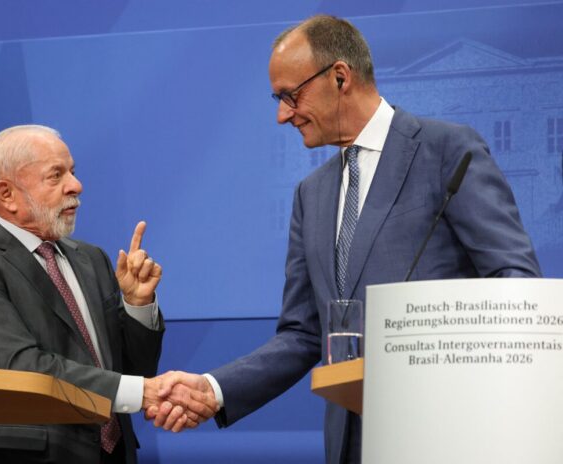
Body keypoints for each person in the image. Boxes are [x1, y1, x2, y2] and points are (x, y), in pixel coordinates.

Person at [148, 14, 542, 463]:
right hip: (349, 443)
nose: (282, 114)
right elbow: (302, 334)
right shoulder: (310, 195)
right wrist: (213, 389)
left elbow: (516, 283)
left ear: (340, 76)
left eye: (290, 95)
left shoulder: (445, 152)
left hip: (445, 434)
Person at [0, 125, 215, 464]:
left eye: (72, 171)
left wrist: (137, 305)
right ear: (6, 194)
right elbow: (20, 371)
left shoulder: (91, 259)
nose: (76, 185)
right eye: (56, 176)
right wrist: (143, 393)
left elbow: (130, 370)